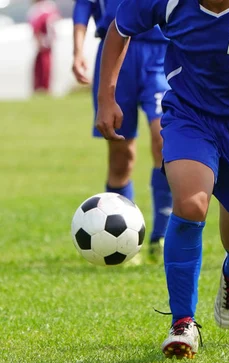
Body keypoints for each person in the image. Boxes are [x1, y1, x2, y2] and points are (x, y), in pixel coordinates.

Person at [95, 0, 229, 359]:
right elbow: (120, 28)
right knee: (190, 204)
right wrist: (106, 97)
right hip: (190, 116)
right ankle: (183, 322)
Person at [71, 0, 172, 262]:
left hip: (160, 52)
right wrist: (77, 51)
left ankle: (161, 236)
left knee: (164, 139)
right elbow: (84, 5)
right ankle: (120, 240)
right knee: (121, 155)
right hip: (115, 53)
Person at [28, 0, 60, 93]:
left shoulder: (41, 9)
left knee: (44, 67)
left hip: (44, 42)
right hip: (46, 42)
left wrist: (40, 41)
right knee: (42, 66)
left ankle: (43, 88)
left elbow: (38, 27)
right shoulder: (48, 7)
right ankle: (41, 88)